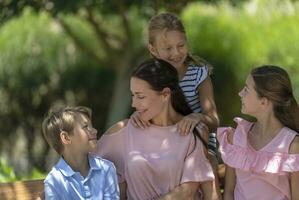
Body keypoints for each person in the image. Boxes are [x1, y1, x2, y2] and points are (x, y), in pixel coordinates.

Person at [97, 59, 220, 200]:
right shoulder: (125, 131)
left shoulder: (193, 131)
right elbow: (84, 163)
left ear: (166, 94)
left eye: (140, 96)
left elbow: (187, 192)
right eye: (133, 95)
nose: (133, 104)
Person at [130, 12, 219, 169]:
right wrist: (139, 115)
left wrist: (197, 117)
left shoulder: (199, 75)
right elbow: (144, 105)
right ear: (153, 49)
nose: (176, 53)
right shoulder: (148, 76)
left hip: (199, 141)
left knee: (203, 164)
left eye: (181, 46)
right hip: (164, 142)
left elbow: (214, 121)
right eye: (168, 48)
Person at [217, 65, 299, 200]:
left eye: (246, 90)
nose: (240, 93)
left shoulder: (292, 146)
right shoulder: (236, 137)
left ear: (263, 101)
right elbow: (229, 191)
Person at [42, 106, 120, 199]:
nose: (95, 131)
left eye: (92, 126)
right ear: (66, 138)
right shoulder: (54, 182)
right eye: (86, 127)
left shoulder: (106, 169)